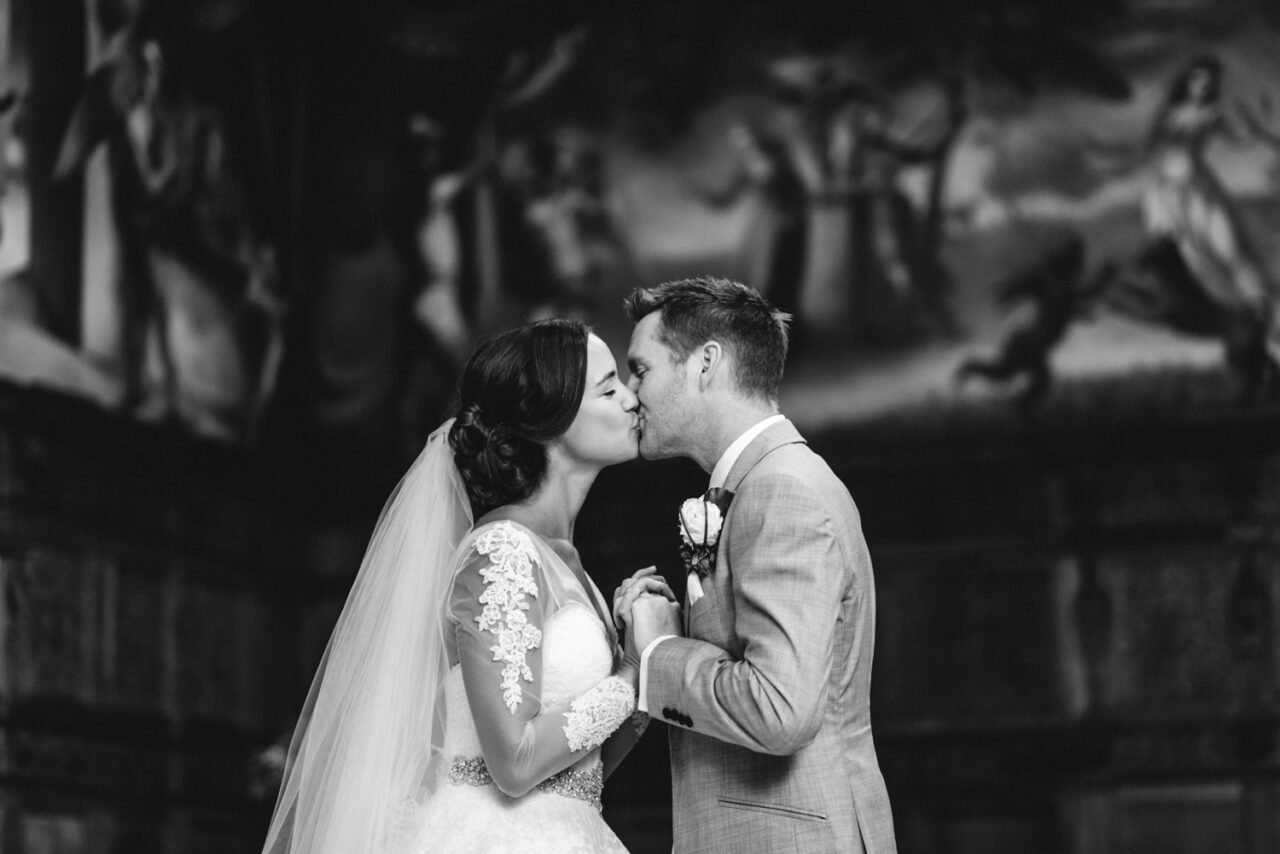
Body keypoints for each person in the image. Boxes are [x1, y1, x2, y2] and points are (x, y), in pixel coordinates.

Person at [261, 319, 674, 854]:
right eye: (608, 386)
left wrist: (641, 664)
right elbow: (516, 763)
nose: (631, 399)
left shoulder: (571, 567)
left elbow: (582, 774)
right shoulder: (500, 551)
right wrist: (628, 673)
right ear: (548, 418)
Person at [614, 276, 897, 853]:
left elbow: (780, 710)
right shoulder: (762, 485)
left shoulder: (780, 492)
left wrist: (658, 653)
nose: (628, 392)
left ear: (705, 364)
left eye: (640, 369)